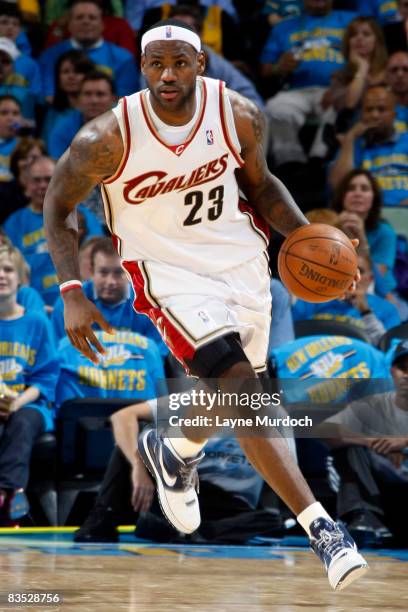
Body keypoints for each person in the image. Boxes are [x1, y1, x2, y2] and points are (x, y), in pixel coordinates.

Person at [43, 19, 367, 590]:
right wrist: (72, 292)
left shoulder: (237, 114)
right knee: (243, 392)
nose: (168, 76)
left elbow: (262, 185)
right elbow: (57, 204)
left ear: (201, 65)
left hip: (240, 264)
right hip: (166, 272)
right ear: (141, 68)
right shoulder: (106, 138)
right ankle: (324, 530)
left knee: (235, 396)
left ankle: (174, 449)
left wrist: (309, 245)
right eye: (156, 64)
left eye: (180, 63)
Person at [318, 339, 408, 546]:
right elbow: (325, 429)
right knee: (349, 449)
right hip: (385, 495)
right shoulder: (374, 403)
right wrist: (370, 441)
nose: (406, 375)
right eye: (402, 368)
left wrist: (402, 442)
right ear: (392, 371)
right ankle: (363, 518)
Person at [0, 243, 59, 526]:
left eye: (8, 269)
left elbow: (46, 377)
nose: (2, 275)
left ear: (20, 277)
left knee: (22, 422)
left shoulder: (36, 322)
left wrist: (15, 402)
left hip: (30, 404)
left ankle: (7, 494)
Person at [260, 0, 355, 168]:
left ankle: (320, 160)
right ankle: (290, 162)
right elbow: (265, 68)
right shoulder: (283, 27)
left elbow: (370, 55)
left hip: (335, 88)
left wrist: (341, 84)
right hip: (296, 90)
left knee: (340, 104)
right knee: (275, 108)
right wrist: (279, 67)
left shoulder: (351, 21)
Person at [3, 156, 103, 307]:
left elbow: (97, 259)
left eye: (48, 179)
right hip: (34, 306)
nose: (43, 185)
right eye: (37, 180)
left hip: (82, 302)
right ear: (27, 185)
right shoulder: (13, 224)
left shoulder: (82, 217)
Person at [52, 237, 168, 356]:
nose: (111, 281)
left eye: (118, 273)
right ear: (92, 272)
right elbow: (60, 353)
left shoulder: (150, 305)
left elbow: (156, 356)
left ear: (129, 274)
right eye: (103, 272)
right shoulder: (69, 304)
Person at [292, 252, 401, 345]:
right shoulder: (310, 300)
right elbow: (290, 337)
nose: (351, 276)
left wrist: (365, 310)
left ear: (370, 278)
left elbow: (389, 350)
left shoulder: (388, 310)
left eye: (360, 271)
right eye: (344, 269)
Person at [38, 0, 139, 101]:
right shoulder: (49, 56)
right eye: (79, 17)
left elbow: (126, 100)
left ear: (102, 25)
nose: (86, 22)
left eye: (92, 17)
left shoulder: (124, 59)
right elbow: (47, 97)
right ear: (69, 25)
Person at [329, 85, 408, 207]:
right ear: (361, 114)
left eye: (381, 109)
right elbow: (338, 185)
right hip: (366, 216)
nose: (375, 115)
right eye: (369, 110)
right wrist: (349, 139)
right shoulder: (353, 145)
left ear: (394, 114)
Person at [332, 169, 399, 300]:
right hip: (336, 290)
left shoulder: (385, 232)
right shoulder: (329, 226)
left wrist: (361, 240)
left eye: (364, 189)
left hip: (380, 294)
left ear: (374, 197)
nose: (357, 193)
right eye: (351, 188)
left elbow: (374, 277)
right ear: (342, 196)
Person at [48, 70, 117, 160]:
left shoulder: (126, 123)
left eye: (100, 94)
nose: (94, 101)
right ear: (78, 99)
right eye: (87, 94)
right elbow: (57, 165)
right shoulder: (63, 128)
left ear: (113, 99)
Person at [41, 49, 95, 152]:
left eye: (77, 71)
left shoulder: (102, 108)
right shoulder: (51, 112)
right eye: (65, 72)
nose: (71, 76)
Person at [0, 136, 47, 223]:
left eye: (34, 158)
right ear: (16, 162)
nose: (29, 162)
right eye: (23, 158)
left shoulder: (50, 190)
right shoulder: (2, 192)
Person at [385, 51, 408, 133]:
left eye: (406, 69)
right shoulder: (377, 108)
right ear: (386, 76)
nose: (400, 74)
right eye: (394, 70)